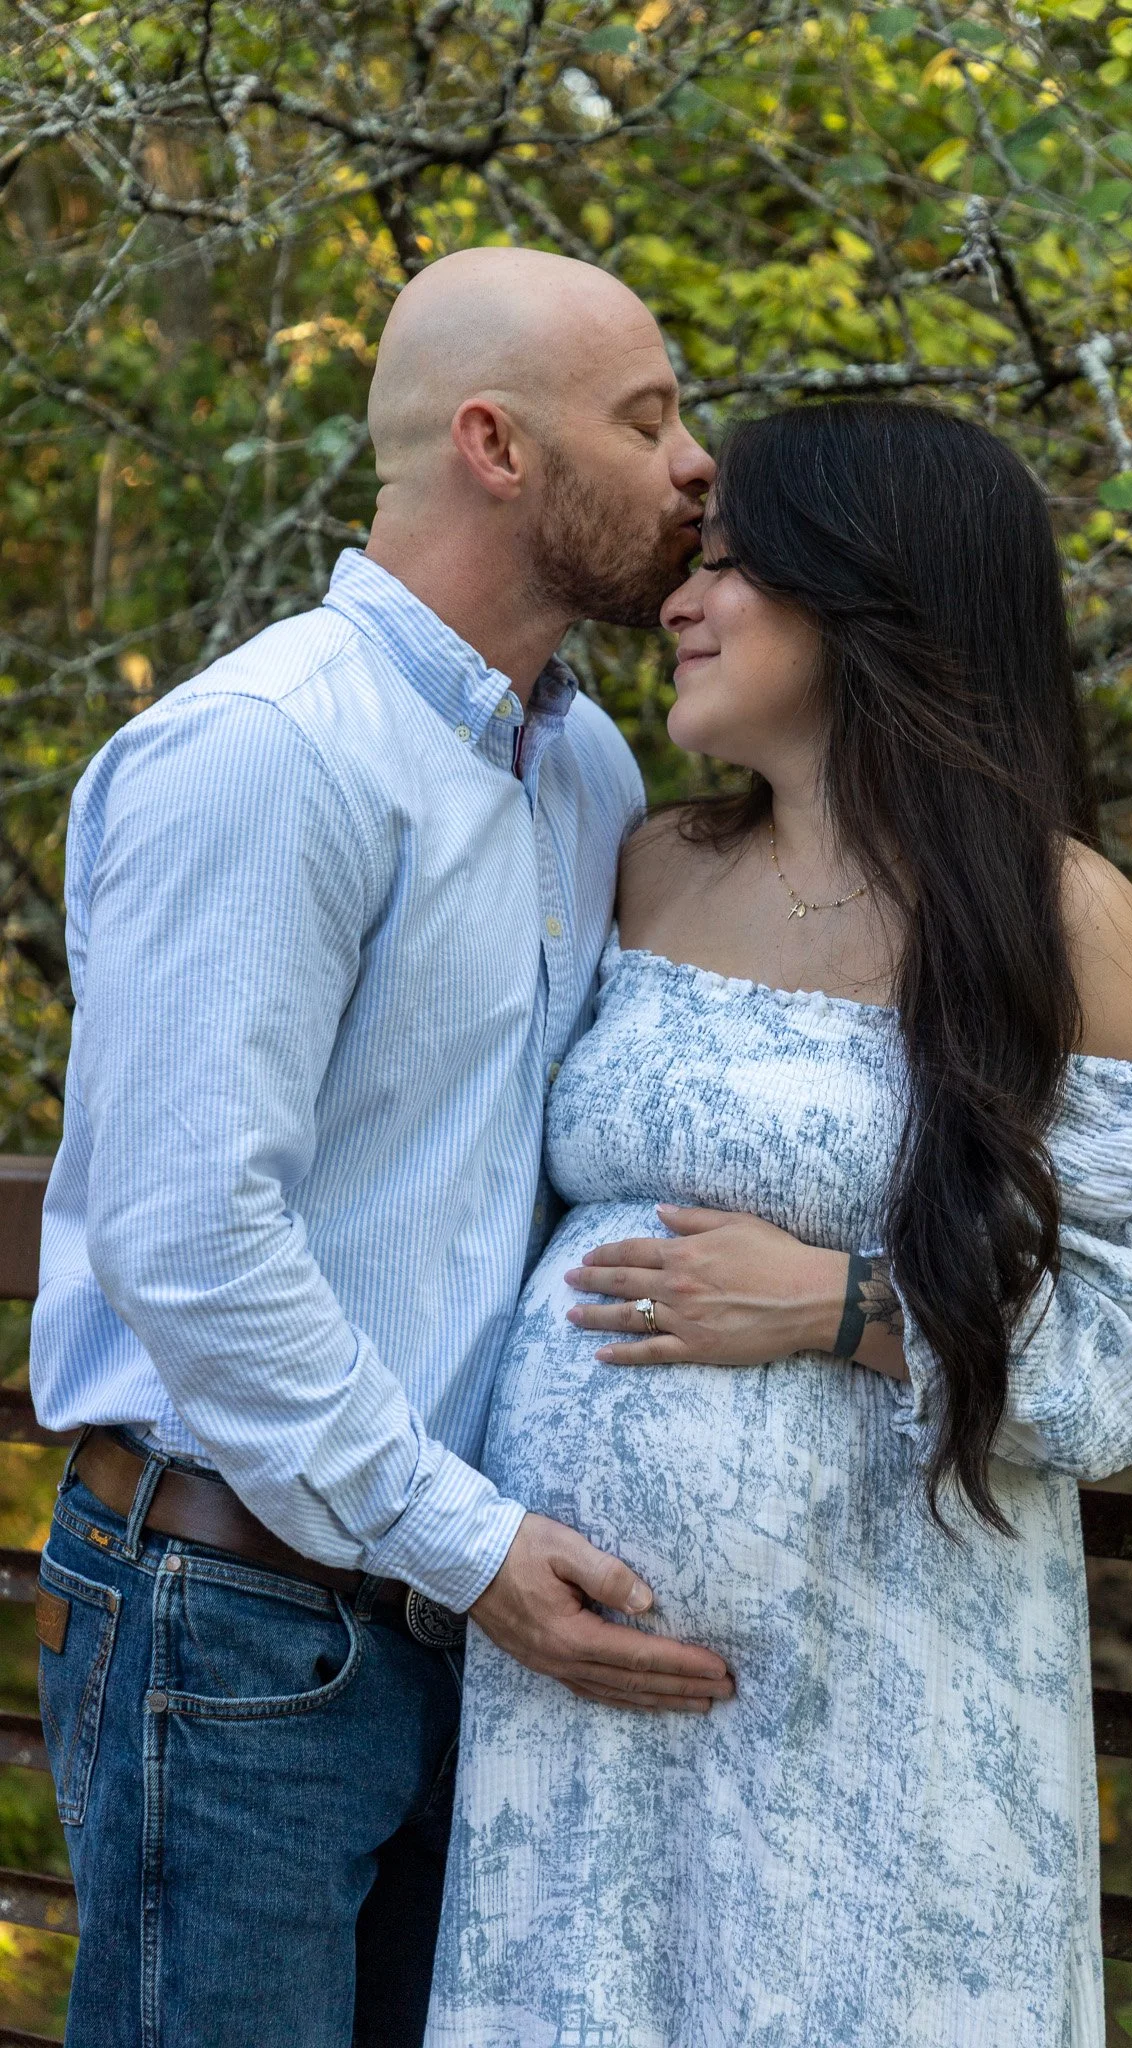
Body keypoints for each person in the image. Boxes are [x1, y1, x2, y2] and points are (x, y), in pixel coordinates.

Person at [427, 401, 1132, 2048]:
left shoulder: (1058, 917)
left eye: (731, 566)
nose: (679, 602)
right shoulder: (646, 865)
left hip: (887, 1689)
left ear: (872, 598)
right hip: (580, 1691)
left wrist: (840, 1304)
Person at [28, 246, 736, 2048]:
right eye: (646, 418)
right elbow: (194, 1241)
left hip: (447, 1621)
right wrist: (474, 1545)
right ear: (496, 444)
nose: (695, 465)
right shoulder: (270, 752)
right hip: (233, 1620)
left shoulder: (583, 774)